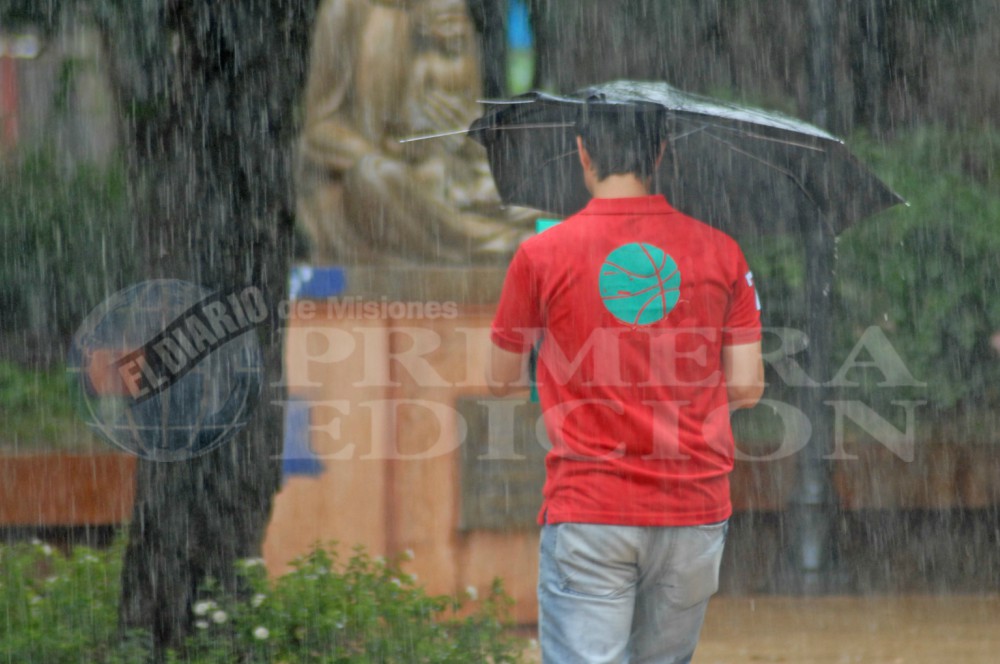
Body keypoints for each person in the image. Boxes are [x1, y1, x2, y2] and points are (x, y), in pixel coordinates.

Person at [488, 105, 764, 663]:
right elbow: (747, 386)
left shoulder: (540, 255)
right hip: (693, 509)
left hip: (590, 507)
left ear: (583, 152)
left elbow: (498, 381)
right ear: (660, 154)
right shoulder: (721, 251)